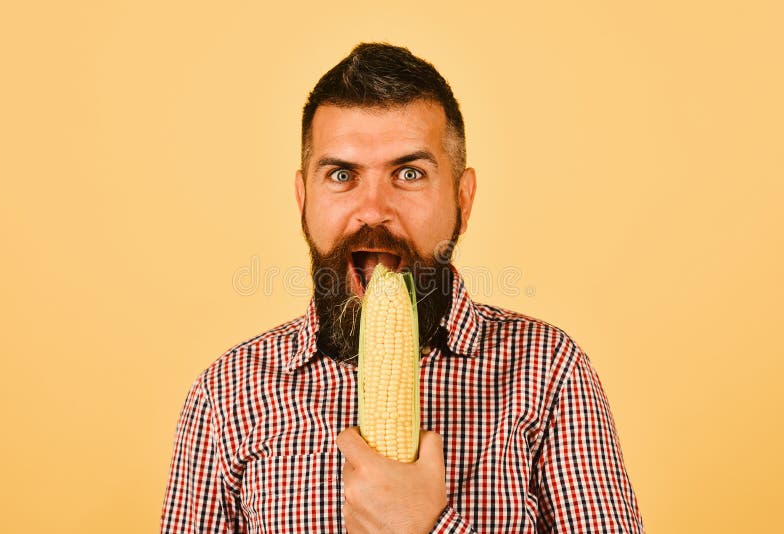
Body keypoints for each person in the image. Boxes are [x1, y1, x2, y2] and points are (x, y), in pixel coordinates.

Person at [160, 42, 644, 533]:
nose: (373, 209)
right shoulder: (225, 396)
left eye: (409, 173)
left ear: (463, 198)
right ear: (303, 200)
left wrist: (426, 525)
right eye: (342, 174)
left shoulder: (549, 374)